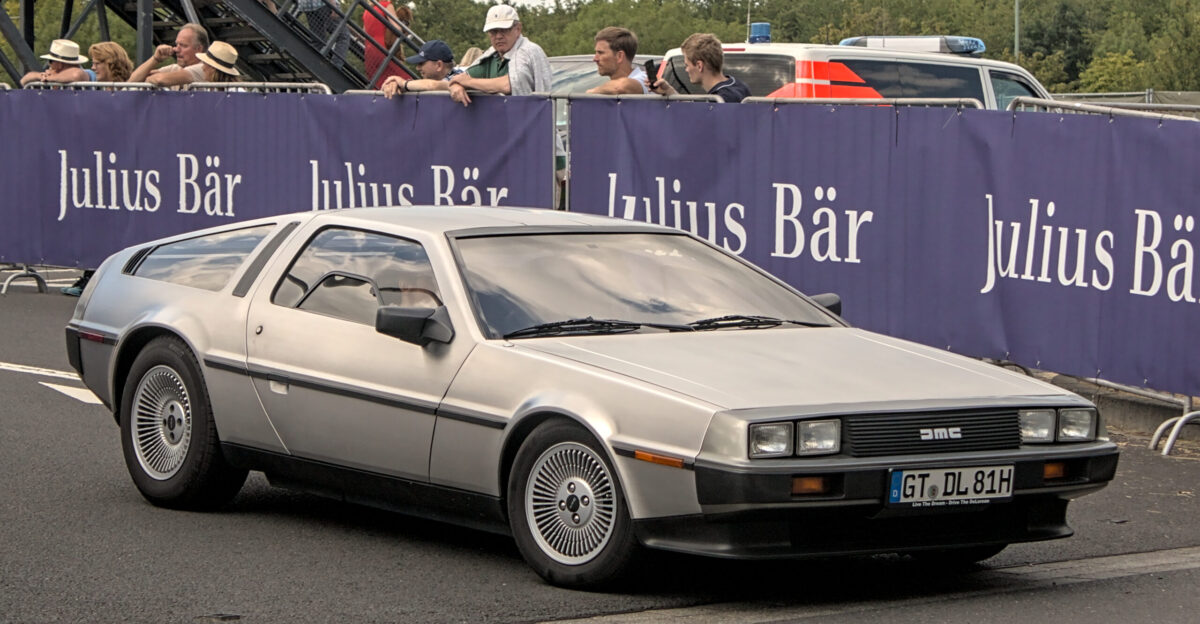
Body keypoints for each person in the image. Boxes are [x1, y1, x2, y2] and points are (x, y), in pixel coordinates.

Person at [447, 4, 552, 106]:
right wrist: (456, 85)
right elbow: (461, 78)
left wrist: (467, 82)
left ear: (518, 29)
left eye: (504, 30)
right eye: (493, 32)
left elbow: (508, 84)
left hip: (532, 121)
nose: (498, 36)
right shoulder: (491, 55)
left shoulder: (528, 50)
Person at [647, 33, 750, 103]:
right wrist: (669, 91)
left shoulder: (719, 100)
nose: (686, 70)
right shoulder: (739, 86)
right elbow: (695, 112)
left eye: (687, 65)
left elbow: (696, 120)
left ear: (699, 66)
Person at [129, 23, 209, 87]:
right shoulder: (175, 68)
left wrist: (148, 79)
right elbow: (132, 82)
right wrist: (155, 59)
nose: (176, 49)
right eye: (176, 44)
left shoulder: (204, 69)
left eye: (183, 45)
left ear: (199, 49)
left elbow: (160, 80)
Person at [380, 40, 461, 98]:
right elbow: (428, 85)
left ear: (439, 65)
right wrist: (396, 85)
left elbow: (432, 85)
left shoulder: (459, 76)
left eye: (421, 63)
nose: (417, 68)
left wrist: (403, 83)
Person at [586, 27, 648, 95]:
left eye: (600, 53)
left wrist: (593, 92)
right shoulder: (609, 90)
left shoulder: (645, 79)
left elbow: (619, 87)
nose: (595, 59)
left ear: (620, 56)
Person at [363, 1, 412, 87]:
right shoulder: (386, 5)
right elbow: (397, 28)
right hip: (382, 49)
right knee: (405, 80)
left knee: (377, 83)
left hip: (369, 52)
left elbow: (364, 33)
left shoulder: (367, 10)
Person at [20, 39, 92, 86]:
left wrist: (52, 78)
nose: (49, 64)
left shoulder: (86, 74)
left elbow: (76, 74)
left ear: (60, 64)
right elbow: (24, 81)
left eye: (50, 61)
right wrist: (41, 76)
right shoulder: (54, 76)